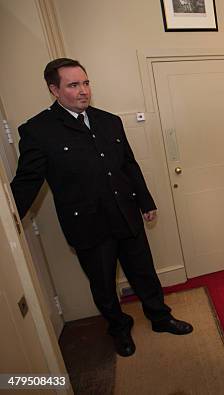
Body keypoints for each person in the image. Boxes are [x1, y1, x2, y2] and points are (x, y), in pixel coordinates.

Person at [10, 58, 193, 357]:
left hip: (126, 214)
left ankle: (160, 317)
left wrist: (145, 202)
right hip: (88, 225)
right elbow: (27, 181)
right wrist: (8, 221)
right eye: (73, 85)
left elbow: (129, 166)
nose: (83, 91)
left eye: (85, 83)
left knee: (144, 273)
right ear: (54, 90)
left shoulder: (109, 121)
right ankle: (119, 329)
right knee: (104, 285)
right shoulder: (38, 130)